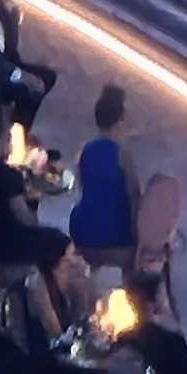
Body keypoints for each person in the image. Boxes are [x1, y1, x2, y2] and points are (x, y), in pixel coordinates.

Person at [66, 84, 138, 265]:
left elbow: (83, 188)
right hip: (114, 238)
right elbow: (135, 200)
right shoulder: (123, 156)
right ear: (120, 119)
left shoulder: (84, 150)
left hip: (82, 232)